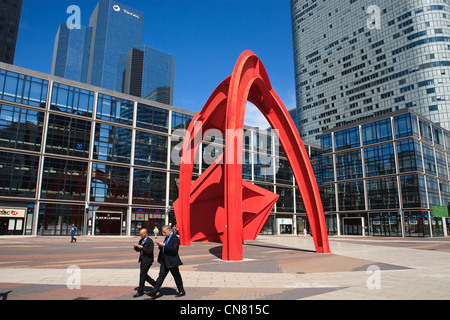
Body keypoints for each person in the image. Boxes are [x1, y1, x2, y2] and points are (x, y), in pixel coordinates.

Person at [147, 225, 185, 299]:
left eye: (165, 232)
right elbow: (165, 247)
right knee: (161, 276)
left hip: (172, 261)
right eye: (163, 233)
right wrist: (160, 245)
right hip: (164, 260)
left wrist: (164, 245)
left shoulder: (175, 238)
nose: (164, 234)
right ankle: (154, 292)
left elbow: (174, 250)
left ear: (169, 231)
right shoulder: (167, 237)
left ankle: (181, 290)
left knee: (176, 276)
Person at [133, 228, 157, 298]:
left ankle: (140, 290)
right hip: (142, 259)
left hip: (148, 260)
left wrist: (142, 247)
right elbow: (139, 250)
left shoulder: (150, 241)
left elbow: (149, 251)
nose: (140, 236)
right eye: (140, 234)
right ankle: (156, 284)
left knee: (142, 275)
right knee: (144, 275)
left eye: (141, 234)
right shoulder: (141, 240)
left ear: (145, 234)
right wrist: (136, 247)